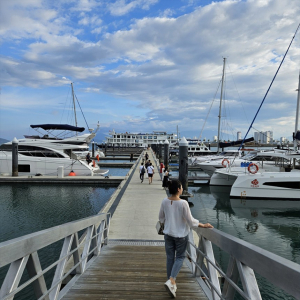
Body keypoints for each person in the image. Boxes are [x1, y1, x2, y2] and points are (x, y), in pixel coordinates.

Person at [158, 179, 213, 298]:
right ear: (178, 189)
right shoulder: (183, 203)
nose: (182, 188)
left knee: (169, 258)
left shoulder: (164, 201)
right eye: (181, 187)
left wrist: (169, 221)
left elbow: (161, 218)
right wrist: (203, 225)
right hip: (180, 236)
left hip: (168, 235)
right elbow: (191, 221)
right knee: (180, 257)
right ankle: (172, 280)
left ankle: (170, 282)